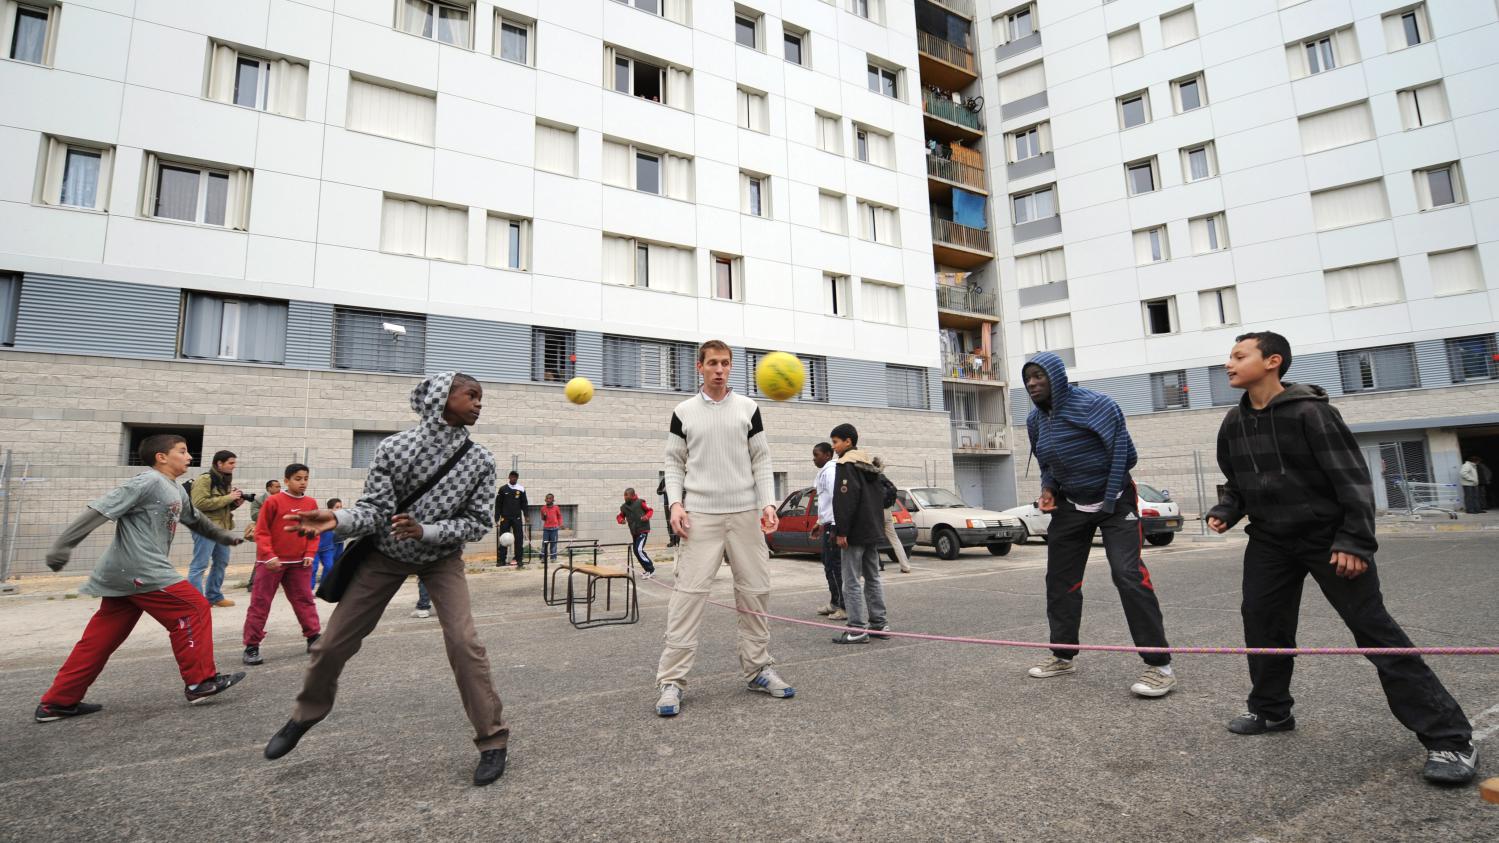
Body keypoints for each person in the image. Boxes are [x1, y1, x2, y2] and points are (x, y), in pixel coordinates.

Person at [1207, 331, 1477, 785]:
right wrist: (1225, 510)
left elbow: (1353, 481)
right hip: (1270, 541)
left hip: (1328, 539)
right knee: (1262, 623)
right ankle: (1271, 712)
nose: (1228, 364)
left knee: (1373, 630)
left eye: (1238, 356)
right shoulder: (1234, 422)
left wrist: (1353, 541)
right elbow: (1235, 481)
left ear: (1272, 361)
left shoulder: (1312, 413)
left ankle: (1450, 739)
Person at [264, 372, 510, 787]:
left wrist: (427, 531)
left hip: (441, 559)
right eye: (471, 395)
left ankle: (492, 740)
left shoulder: (480, 460)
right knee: (330, 645)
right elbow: (374, 510)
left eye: (481, 397)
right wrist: (336, 520)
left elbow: (477, 523)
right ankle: (305, 715)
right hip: (385, 556)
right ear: (439, 398)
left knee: (466, 645)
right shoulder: (395, 448)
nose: (479, 403)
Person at [34, 434, 246, 721]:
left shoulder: (175, 489)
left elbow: (195, 520)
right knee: (193, 607)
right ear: (161, 457)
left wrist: (227, 537)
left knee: (100, 639)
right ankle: (201, 682)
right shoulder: (146, 481)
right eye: (182, 451)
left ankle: (57, 702)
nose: (189, 457)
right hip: (141, 570)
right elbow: (100, 509)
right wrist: (63, 545)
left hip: (126, 574)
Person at [1021, 352, 1176, 698]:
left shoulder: (1097, 406)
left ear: (1057, 378)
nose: (1032, 383)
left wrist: (1104, 495)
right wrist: (1048, 490)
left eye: (1039, 376)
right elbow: (1047, 463)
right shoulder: (1035, 420)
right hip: (1070, 503)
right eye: (1028, 377)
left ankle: (1159, 666)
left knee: (1128, 574)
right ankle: (1062, 655)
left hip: (1115, 500)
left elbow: (1127, 454)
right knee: (1060, 580)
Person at [654, 340, 794, 717]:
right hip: (700, 515)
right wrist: (676, 504)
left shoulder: (748, 409)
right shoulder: (683, 412)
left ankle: (759, 669)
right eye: (712, 363)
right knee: (687, 597)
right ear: (699, 367)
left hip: (746, 514)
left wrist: (768, 502)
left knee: (755, 592)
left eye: (725, 363)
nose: (719, 369)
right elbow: (674, 463)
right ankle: (671, 681)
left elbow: (762, 460)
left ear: (731, 367)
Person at [242, 464, 323, 666]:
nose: (303, 482)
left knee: (304, 600)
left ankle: (314, 638)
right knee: (260, 603)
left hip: (299, 563)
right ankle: (251, 646)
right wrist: (268, 555)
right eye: (298, 478)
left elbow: (313, 530)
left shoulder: (311, 502)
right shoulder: (273, 502)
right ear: (286, 481)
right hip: (270, 563)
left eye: (305, 478)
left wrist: (310, 553)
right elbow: (261, 531)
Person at [829, 424, 891, 644]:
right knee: (873, 577)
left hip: (855, 533)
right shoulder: (868, 465)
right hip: (872, 530)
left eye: (836, 442)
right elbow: (886, 495)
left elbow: (845, 500)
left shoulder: (847, 465)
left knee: (851, 580)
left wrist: (841, 531)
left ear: (848, 442)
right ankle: (879, 624)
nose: (834, 447)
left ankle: (856, 629)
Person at [187, 449, 243, 608]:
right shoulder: (205, 479)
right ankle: (197, 601)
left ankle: (214, 596)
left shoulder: (224, 480)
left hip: (221, 529)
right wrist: (228, 498)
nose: (234, 466)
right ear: (219, 463)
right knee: (199, 565)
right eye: (231, 463)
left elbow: (221, 507)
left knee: (221, 562)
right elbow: (199, 503)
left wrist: (234, 504)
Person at [808, 442, 845, 620]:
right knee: (828, 564)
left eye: (817, 455)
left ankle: (843, 607)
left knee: (835, 566)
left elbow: (837, 498)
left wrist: (836, 526)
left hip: (834, 525)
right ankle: (834, 601)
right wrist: (819, 522)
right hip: (828, 523)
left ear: (828, 455)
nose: (814, 458)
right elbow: (825, 502)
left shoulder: (830, 471)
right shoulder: (824, 471)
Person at [873, 455, 911, 574]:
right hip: (887, 511)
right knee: (895, 539)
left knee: (871, 539)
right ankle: (905, 566)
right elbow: (894, 491)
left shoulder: (871, 479)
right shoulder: (884, 479)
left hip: (875, 512)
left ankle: (877, 565)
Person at [245, 479, 282, 592]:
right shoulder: (258, 500)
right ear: (268, 488)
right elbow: (254, 515)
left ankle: (273, 582)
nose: (279, 489)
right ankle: (252, 584)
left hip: (280, 534)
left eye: (279, 486)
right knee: (262, 558)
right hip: (265, 534)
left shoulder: (283, 499)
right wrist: (270, 510)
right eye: (276, 486)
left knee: (280, 558)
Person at [617, 488, 657, 578]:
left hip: (643, 530)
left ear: (632, 495)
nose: (625, 497)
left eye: (626, 495)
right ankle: (647, 570)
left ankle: (651, 570)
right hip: (634, 532)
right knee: (636, 551)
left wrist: (646, 516)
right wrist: (621, 520)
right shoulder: (624, 507)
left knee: (639, 550)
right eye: (624, 495)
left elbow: (650, 510)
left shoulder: (640, 502)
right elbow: (620, 516)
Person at [496, 471, 527, 568]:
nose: (513, 478)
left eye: (515, 477)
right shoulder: (503, 489)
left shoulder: (521, 489)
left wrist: (526, 515)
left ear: (517, 478)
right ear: (509, 477)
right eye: (512, 477)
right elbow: (498, 504)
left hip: (517, 518)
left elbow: (524, 504)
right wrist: (497, 517)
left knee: (519, 539)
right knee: (503, 539)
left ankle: (519, 559)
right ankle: (501, 560)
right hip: (505, 518)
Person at [310, 498, 343, 590]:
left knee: (329, 567)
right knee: (313, 568)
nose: (339, 509)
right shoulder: (323, 518)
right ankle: (309, 589)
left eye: (341, 507)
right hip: (315, 549)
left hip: (328, 548)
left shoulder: (341, 519)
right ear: (330, 509)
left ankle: (323, 588)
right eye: (337, 507)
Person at [540, 494, 563, 564]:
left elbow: (559, 516)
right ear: (545, 499)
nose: (548, 500)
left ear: (553, 500)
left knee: (554, 544)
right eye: (547, 498)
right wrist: (544, 516)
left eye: (550, 498)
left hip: (554, 529)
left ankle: (553, 558)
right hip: (546, 529)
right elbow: (543, 519)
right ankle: (543, 557)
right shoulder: (543, 508)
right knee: (544, 544)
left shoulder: (556, 508)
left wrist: (560, 524)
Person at [657, 476, 679, 548]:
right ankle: (672, 541)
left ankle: (678, 540)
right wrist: (664, 490)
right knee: (669, 522)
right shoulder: (665, 479)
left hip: (678, 504)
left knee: (678, 522)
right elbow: (658, 491)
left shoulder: (678, 478)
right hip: (667, 504)